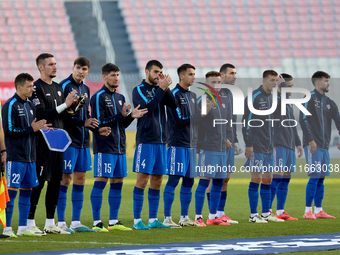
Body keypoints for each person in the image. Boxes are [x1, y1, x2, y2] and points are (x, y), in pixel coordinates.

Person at [90, 63, 147, 232]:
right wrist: (119, 116)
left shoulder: (120, 97)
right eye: (113, 75)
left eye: (117, 75)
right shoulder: (98, 97)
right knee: (101, 182)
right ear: (104, 77)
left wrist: (130, 117)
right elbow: (98, 122)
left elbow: (120, 123)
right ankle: (96, 222)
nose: (116, 78)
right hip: (105, 146)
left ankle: (113, 221)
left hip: (120, 147)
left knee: (118, 183)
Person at [57, 57, 111, 233]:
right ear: (73, 68)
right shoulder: (64, 86)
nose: (81, 71)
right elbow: (62, 116)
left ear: (88, 71)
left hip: (83, 142)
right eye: (78, 68)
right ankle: (60, 223)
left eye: (84, 69)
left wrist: (97, 130)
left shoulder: (86, 89)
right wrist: (83, 124)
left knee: (80, 179)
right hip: (67, 142)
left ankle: (75, 222)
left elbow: (86, 118)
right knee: (65, 179)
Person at [28, 53, 78, 235]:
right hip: (42, 142)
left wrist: (73, 107)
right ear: (41, 67)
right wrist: (65, 105)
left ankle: (50, 223)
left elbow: (62, 115)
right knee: (39, 182)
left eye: (56, 64)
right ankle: (29, 222)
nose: (55, 67)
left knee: (56, 182)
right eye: (50, 64)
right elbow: (41, 113)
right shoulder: (35, 88)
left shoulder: (58, 87)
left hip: (59, 143)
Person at [2, 73, 51, 237]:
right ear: (19, 87)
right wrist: (32, 129)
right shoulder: (10, 105)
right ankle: (7, 228)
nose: (32, 89)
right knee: (12, 191)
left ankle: (23, 227)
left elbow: (32, 130)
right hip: (16, 157)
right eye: (29, 86)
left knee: (27, 191)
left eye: (32, 86)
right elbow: (9, 132)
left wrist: (40, 130)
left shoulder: (31, 105)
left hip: (31, 157)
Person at [132, 60, 176, 230]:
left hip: (161, 141)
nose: (159, 75)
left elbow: (173, 104)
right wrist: (161, 88)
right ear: (147, 72)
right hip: (146, 141)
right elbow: (147, 107)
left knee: (157, 181)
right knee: (142, 180)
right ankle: (137, 221)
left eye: (161, 72)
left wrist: (166, 88)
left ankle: (152, 219)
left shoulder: (161, 89)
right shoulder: (139, 90)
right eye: (156, 72)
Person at [163, 64, 206, 228]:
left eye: (194, 74)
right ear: (181, 76)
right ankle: (167, 218)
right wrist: (201, 114)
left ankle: (184, 217)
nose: (193, 77)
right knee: (173, 180)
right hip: (177, 145)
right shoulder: (173, 94)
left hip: (191, 146)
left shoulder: (193, 95)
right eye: (190, 74)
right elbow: (180, 120)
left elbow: (196, 122)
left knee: (189, 181)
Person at [242, 70, 284, 223]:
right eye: (272, 80)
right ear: (264, 80)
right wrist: (249, 144)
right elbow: (247, 122)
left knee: (268, 180)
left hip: (269, 146)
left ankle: (266, 213)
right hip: (257, 146)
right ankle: (253, 215)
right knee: (256, 179)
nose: (274, 83)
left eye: (276, 81)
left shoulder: (274, 98)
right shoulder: (254, 97)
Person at [299, 71, 340, 220]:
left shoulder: (329, 102)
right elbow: (303, 120)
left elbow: (338, 120)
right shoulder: (308, 98)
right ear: (317, 83)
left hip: (325, 146)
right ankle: (307, 211)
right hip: (313, 145)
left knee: (321, 177)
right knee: (315, 175)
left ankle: (319, 210)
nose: (328, 83)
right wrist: (310, 140)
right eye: (326, 81)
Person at [194, 71, 231, 227]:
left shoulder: (222, 100)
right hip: (208, 148)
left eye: (218, 81)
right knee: (204, 182)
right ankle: (198, 217)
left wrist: (228, 140)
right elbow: (194, 123)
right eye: (213, 82)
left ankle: (213, 216)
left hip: (221, 148)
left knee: (218, 182)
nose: (216, 84)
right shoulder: (202, 100)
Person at [205, 63, 239, 224]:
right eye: (231, 73)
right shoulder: (209, 96)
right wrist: (222, 138)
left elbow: (231, 120)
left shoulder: (229, 94)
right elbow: (210, 122)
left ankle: (220, 213)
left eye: (235, 73)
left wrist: (235, 140)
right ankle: (212, 214)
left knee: (225, 178)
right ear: (222, 75)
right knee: (213, 178)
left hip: (229, 142)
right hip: (216, 144)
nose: (235, 76)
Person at [270, 73, 303, 220]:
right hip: (278, 143)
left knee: (286, 178)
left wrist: (298, 143)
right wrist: (281, 86)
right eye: (287, 86)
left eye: (291, 86)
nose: (290, 89)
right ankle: (268, 211)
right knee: (277, 177)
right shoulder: (275, 100)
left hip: (289, 144)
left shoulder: (288, 101)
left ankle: (280, 211)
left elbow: (292, 124)